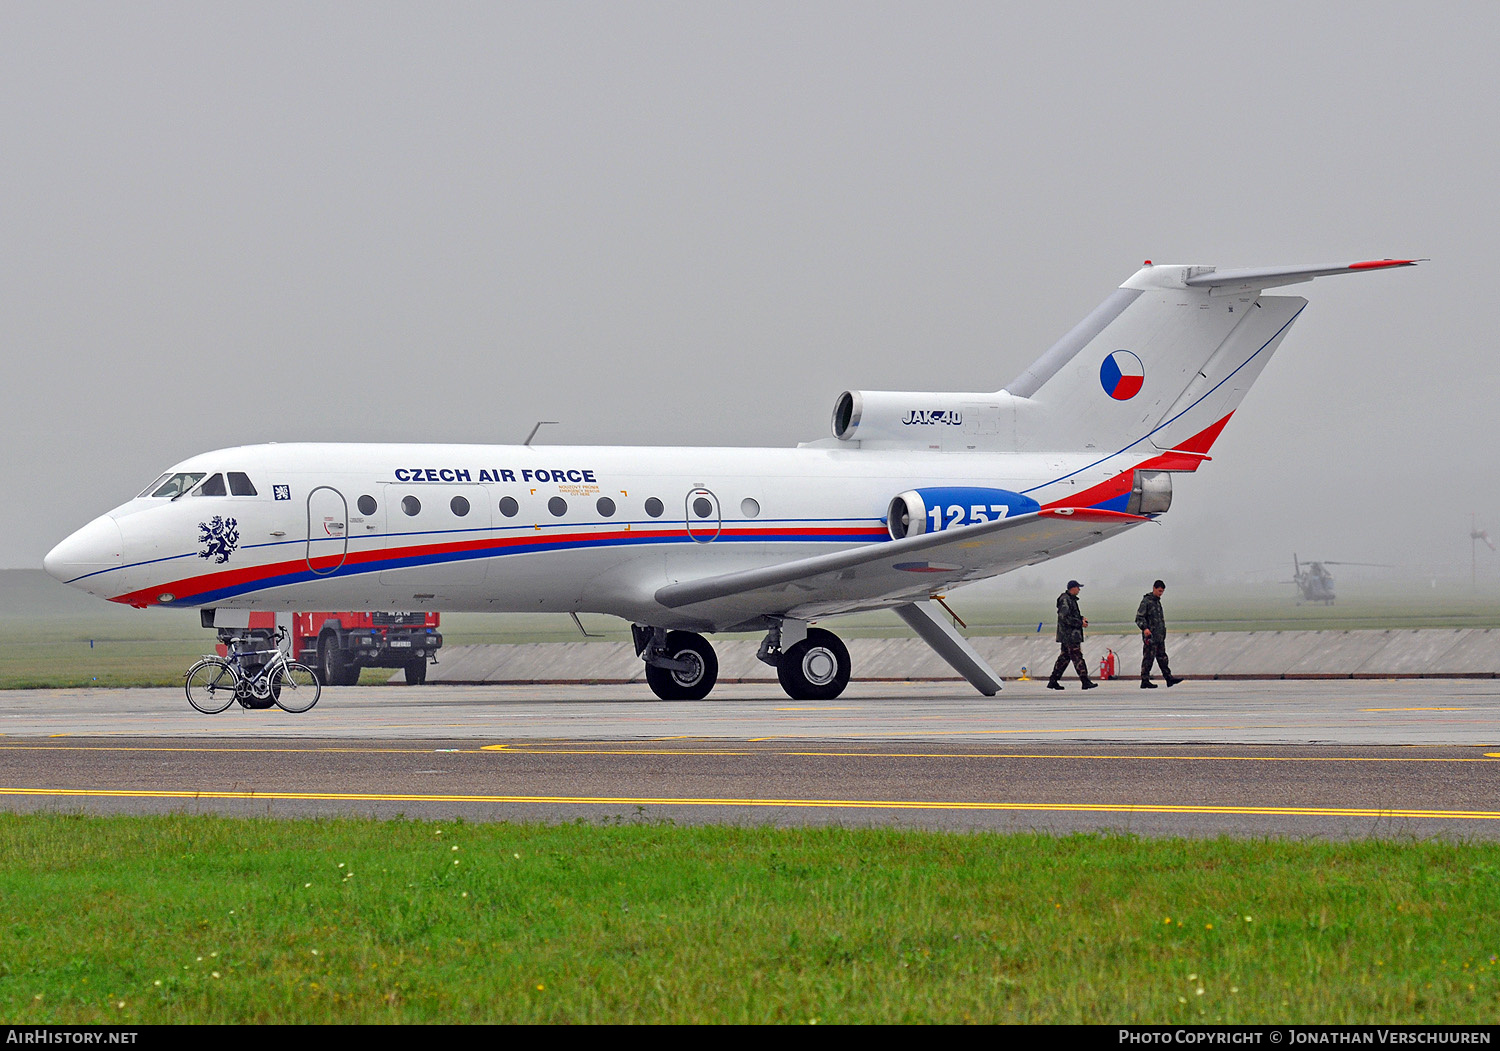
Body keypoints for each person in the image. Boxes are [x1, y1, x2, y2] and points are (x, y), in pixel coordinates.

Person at [1047, 580, 1097, 690]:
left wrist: (1081, 618)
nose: (1079, 590)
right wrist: (1080, 623)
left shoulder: (1070, 600)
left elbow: (1071, 615)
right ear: (1072, 588)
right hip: (1069, 635)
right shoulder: (1065, 600)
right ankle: (1085, 681)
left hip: (1068, 635)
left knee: (1064, 658)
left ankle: (1053, 680)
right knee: (1077, 657)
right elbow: (1064, 617)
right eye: (1078, 587)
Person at [1135, 579, 1183, 688]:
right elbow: (1139, 617)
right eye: (1159, 591)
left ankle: (1168, 678)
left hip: (1159, 636)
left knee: (1163, 658)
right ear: (1154, 588)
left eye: (1162, 592)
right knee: (1148, 658)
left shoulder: (1157, 602)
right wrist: (1145, 628)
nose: (1161, 594)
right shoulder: (1146, 601)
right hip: (1150, 636)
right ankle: (1145, 680)